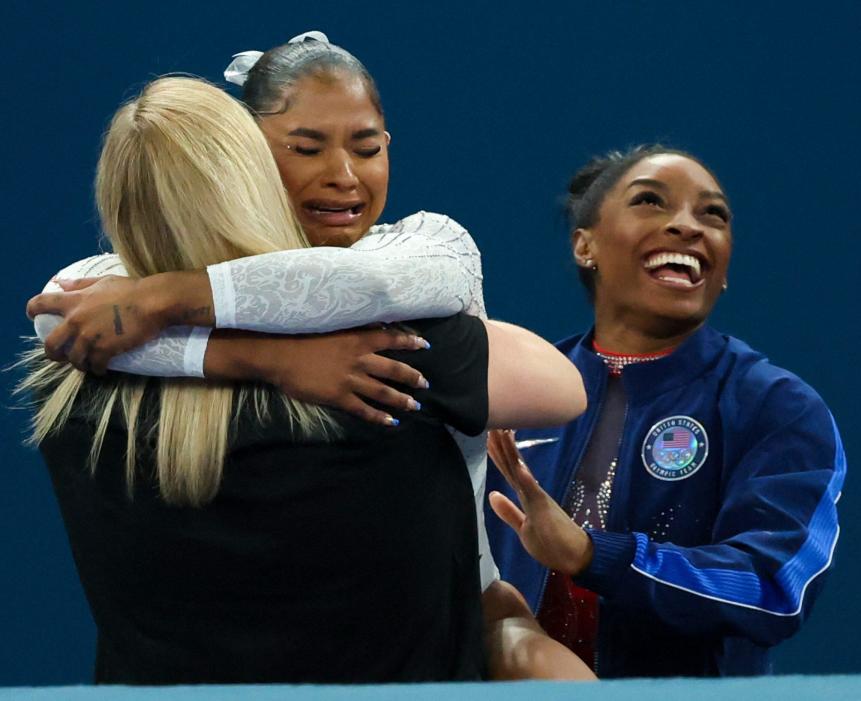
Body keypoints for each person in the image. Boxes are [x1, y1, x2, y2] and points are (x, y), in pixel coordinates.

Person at [26, 33, 595, 679]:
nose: (343, 173)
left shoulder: (84, 354)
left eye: (368, 145)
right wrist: (270, 359)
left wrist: (177, 305)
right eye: (305, 147)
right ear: (248, 165)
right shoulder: (385, 351)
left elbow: (54, 315)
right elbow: (562, 387)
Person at [484, 146, 847, 678]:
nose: (687, 226)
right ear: (585, 245)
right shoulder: (512, 392)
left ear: (723, 267)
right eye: (650, 202)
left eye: (713, 215)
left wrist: (595, 555)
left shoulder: (777, 407)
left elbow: (776, 585)